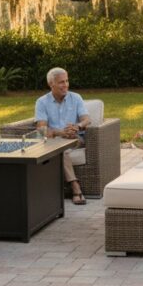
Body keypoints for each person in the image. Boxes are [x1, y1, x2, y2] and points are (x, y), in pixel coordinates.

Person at [35, 67, 91, 205]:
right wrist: (60, 132)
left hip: (74, 138)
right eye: (61, 82)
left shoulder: (76, 98)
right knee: (61, 150)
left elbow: (86, 119)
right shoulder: (42, 102)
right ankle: (75, 186)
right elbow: (41, 129)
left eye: (66, 81)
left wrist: (77, 126)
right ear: (51, 84)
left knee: (62, 148)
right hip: (54, 141)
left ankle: (74, 188)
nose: (65, 85)